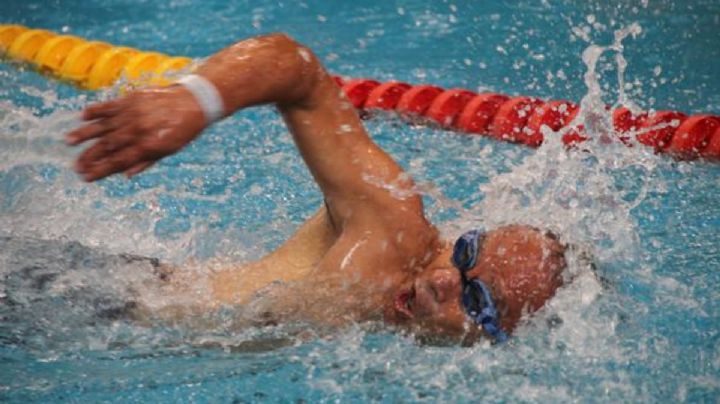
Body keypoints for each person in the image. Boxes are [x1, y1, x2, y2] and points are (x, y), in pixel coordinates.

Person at [65, 33, 568, 344]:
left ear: (501, 339)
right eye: (464, 253)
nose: (443, 280)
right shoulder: (394, 232)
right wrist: (194, 101)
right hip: (89, 298)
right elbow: (295, 67)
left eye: (477, 299)